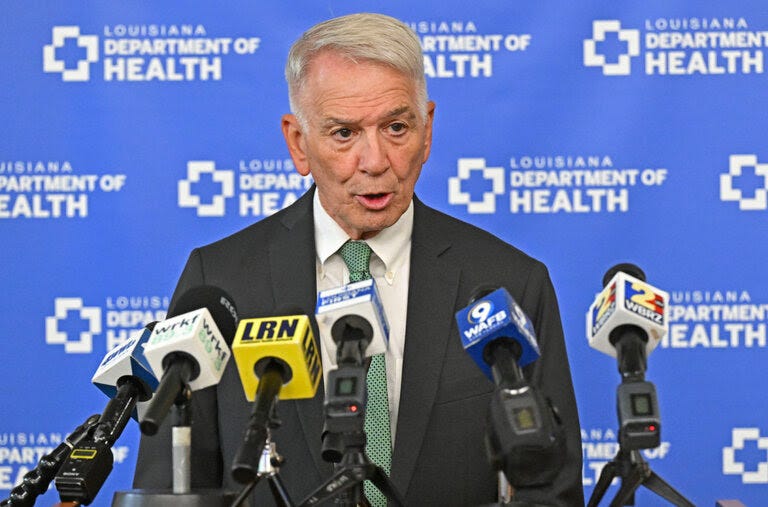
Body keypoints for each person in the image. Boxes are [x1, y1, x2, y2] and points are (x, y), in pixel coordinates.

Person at [133, 12, 584, 506]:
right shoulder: (221, 282)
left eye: (396, 127)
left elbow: (552, 492)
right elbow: (170, 489)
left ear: (427, 130)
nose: (374, 161)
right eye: (344, 133)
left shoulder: (508, 283)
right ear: (298, 143)